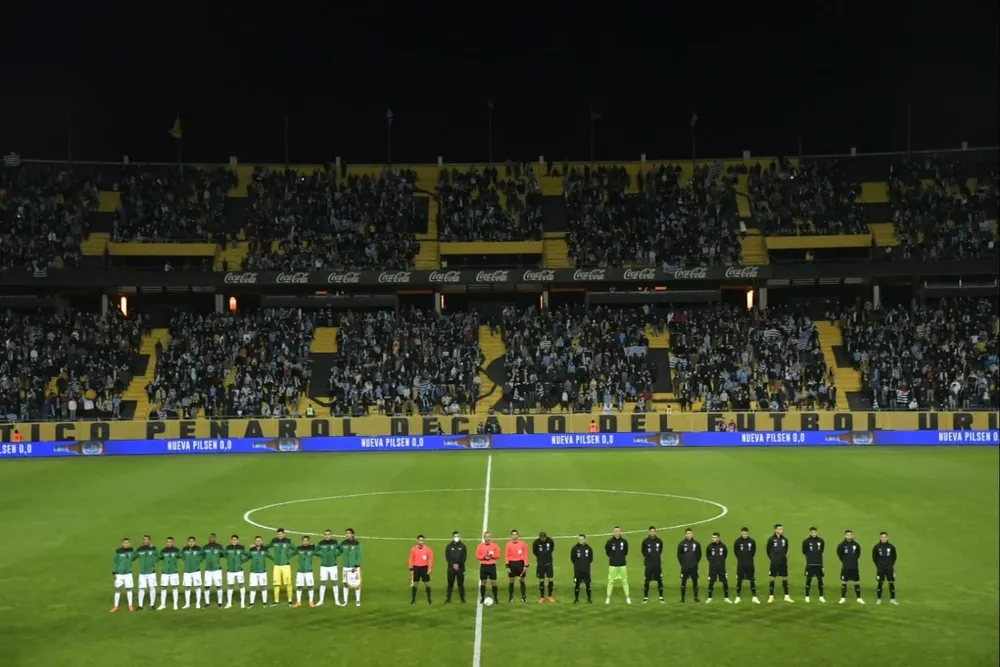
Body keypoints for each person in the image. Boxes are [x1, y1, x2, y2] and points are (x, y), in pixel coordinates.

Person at [766, 524, 793, 603]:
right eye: (780, 529)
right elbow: (768, 550)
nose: (781, 530)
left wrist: (782, 557)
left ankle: (786, 596)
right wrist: (773, 558)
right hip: (774, 562)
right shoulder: (771, 539)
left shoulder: (785, 539)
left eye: (782, 529)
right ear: (775, 530)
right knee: (772, 578)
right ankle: (771, 596)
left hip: (783, 562)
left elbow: (786, 550)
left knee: (785, 577)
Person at [733, 527, 760, 604]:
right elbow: (736, 551)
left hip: (750, 564)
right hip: (741, 564)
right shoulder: (737, 542)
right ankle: (738, 597)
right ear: (741, 533)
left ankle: (754, 597)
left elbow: (753, 551)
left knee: (752, 580)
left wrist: (748, 558)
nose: (744, 535)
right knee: (739, 580)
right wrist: (741, 558)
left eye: (746, 533)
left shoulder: (752, 541)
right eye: (743, 533)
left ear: (748, 533)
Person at [268, 528, 295, 607]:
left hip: (286, 565)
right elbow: (266, 547)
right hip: (277, 566)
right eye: (278, 534)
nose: (280, 535)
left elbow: (295, 549)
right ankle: (276, 601)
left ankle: (290, 601)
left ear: (284, 534)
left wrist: (288, 556)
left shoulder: (288, 541)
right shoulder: (274, 541)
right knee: (276, 584)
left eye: (281, 534)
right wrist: (256, 545)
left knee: (288, 583)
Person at [837, 530, 865, 604]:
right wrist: (845, 561)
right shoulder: (841, 545)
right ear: (845, 536)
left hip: (854, 566)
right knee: (844, 582)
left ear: (852, 535)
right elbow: (839, 554)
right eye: (847, 534)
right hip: (845, 567)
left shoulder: (856, 545)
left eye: (850, 534)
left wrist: (853, 560)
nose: (849, 536)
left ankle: (859, 598)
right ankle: (842, 598)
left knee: (857, 582)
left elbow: (858, 554)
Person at [605, 526, 631, 604]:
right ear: (613, 532)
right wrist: (613, 558)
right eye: (615, 531)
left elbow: (626, 551)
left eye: (618, 531)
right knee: (611, 581)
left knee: (625, 581)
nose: (617, 532)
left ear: (620, 532)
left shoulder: (624, 541)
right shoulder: (609, 542)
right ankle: (608, 597)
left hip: (622, 565)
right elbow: (607, 552)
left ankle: (627, 597)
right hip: (612, 565)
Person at [316, 529, 342, 607]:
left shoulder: (335, 542)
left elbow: (341, 550)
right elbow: (315, 551)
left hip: (333, 566)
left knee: (335, 582)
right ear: (324, 535)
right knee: (323, 583)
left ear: (331, 535)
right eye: (326, 534)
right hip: (324, 566)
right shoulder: (321, 543)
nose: (327, 536)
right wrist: (321, 556)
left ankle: (337, 601)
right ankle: (321, 601)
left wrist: (335, 555)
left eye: (328, 534)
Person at [872, 531, 898, 605]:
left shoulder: (891, 547)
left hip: (889, 568)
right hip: (881, 568)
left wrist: (890, 564)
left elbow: (894, 557)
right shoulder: (876, 547)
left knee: (891, 583)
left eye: (885, 537)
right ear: (880, 538)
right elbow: (874, 558)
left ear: (887, 537)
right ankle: (879, 599)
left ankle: (892, 599)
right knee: (880, 583)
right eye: (882, 537)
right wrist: (879, 565)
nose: (883, 538)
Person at [640, 526, 665, 604]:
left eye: (653, 531)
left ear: (655, 532)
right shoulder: (645, 541)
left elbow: (660, 551)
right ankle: (645, 597)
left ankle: (661, 597)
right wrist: (648, 559)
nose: (652, 533)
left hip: (657, 564)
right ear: (649, 532)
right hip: (649, 565)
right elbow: (643, 552)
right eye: (651, 531)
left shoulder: (659, 541)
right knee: (647, 581)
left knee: (660, 581)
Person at [111, 537, 136, 613]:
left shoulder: (132, 551)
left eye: (127, 543)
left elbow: (136, 555)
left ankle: (130, 605)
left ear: (130, 543)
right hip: (119, 574)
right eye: (124, 543)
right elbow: (114, 561)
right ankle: (115, 606)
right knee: (117, 590)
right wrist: (114, 572)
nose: (126, 544)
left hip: (128, 574)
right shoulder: (118, 551)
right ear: (122, 543)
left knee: (129, 589)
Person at [504, 529, 530, 603]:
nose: (514, 536)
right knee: (511, 580)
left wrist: (525, 565)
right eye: (513, 534)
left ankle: (524, 597)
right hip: (512, 563)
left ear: (518, 535)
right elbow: (507, 555)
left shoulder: (523, 544)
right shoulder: (508, 544)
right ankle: (511, 597)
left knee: (522, 580)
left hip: (520, 563)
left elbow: (525, 555)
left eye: (516, 534)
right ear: (511, 536)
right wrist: (507, 566)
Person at [677, 528, 702, 603]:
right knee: (683, 582)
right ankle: (682, 599)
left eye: (690, 533)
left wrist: (695, 562)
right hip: (685, 567)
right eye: (687, 533)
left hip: (694, 566)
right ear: (685, 534)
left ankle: (696, 598)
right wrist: (683, 563)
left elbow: (699, 554)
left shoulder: (696, 544)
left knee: (695, 582)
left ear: (692, 534)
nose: (689, 535)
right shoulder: (681, 544)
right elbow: (679, 555)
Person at [475, 531, 501, 604]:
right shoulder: (480, 546)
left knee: (494, 582)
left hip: (492, 566)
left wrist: (491, 556)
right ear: (484, 538)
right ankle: (482, 597)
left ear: (490, 537)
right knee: (483, 582)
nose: (488, 538)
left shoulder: (494, 546)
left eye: (489, 537)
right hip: (484, 566)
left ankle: (496, 598)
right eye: (486, 537)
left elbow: (498, 555)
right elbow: (477, 556)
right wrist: (484, 557)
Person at [705, 532, 731, 603]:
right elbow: (708, 556)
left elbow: (725, 555)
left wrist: (721, 561)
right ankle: (709, 598)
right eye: (712, 537)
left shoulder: (723, 546)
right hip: (713, 568)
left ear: (718, 538)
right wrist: (712, 562)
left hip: (721, 568)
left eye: (714, 538)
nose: (712, 539)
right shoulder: (709, 547)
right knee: (711, 582)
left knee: (725, 582)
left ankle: (726, 597)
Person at [802, 526, 826, 603]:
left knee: (820, 580)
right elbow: (804, 551)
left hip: (819, 564)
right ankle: (807, 596)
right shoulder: (806, 541)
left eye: (815, 532)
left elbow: (822, 550)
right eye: (812, 532)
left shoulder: (821, 541)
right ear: (810, 533)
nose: (813, 533)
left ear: (817, 532)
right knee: (808, 579)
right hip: (810, 564)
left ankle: (821, 596)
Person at [135, 535, 159, 611]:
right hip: (142, 572)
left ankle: (152, 605)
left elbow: (159, 556)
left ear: (149, 540)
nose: (145, 541)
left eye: (147, 540)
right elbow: (133, 557)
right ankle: (140, 605)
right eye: (144, 540)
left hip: (151, 572)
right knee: (141, 588)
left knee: (152, 588)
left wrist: (153, 561)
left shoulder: (153, 548)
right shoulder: (139, 549)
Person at [156, 536, 181, 610]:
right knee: (163, 587)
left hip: (174, 572)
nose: (169, 543)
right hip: (165, 572)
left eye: (170, 542)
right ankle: (163, 604)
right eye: (168, 542)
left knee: (174, 587)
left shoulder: (177, 550)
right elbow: (159, 557)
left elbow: (182, 556)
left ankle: (175, 604)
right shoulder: (163, 550)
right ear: (166, 542)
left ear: (173, 542)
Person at [224, 534, 248, 609]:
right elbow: (224, 555)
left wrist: (242, 561)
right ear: (231, 541)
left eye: (235, 540)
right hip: (230, 571)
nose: (234, 541)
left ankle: (242, 603)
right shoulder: (228, 548)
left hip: (239, 570)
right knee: (230, 586)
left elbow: (248, 555)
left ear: (238, 540)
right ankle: (229, 603)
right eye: (233, 540)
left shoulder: (241, 548)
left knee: (241, 585)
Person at [409, 535, 434, 604]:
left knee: (427, 584)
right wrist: (411, 569)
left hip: (424, 568)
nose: (421, 541)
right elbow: (411, 559)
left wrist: (429, 568)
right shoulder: (413, 549)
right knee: (415, 584)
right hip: (416, 568)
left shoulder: (428, 549)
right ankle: (413, 599)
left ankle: (429, 599)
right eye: (420, 540)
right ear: (417, 541)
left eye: (422, 540)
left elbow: (430, 559)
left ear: (424, 541)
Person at [341, 528, 363, 606]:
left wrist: (356, 565)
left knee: (357, 584)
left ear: (352, 534)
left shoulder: (357, 544)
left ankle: (357, 600)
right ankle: (345, 600)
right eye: (346, 533)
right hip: (346, 566)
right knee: (345, 583)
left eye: (349, 533)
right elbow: (339, 551)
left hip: (354, 567)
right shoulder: (343, 543)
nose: (347, 534)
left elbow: (359, 555)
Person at [202, 533, 225, 608]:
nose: (211, 539)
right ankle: (207, 603)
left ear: (215, 539)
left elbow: (223, 554)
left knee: (218, 586)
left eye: (213, 538)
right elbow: (202, 555)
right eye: (210, 538)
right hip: (208, 570)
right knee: (207, 586)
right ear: (209, 538)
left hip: (217, 570)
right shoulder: (205, 547)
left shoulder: (219, 546)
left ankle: (220, 603)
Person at [293, 535, 317, 607]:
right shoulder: (299, 549)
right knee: (299, 586)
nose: (305, 542)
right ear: (302, 541)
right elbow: (292, 553)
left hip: (309, 571)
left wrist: (314, 546)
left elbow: (318, 551)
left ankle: (311, 602)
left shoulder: (312, 549)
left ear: (308, 541)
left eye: (306, 541)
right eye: (304, 541)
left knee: (310, 586)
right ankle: (298, 602)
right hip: (300, 571)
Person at [247, 536, 271, 607]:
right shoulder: (252, 550)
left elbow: (270, 556)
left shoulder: (264, 550)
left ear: (262, 541)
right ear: (255, 542)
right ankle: (251, 603)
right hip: (253, 572)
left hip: (262, 572)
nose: (258, 542)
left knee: (263, 587)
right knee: (253, 587)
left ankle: (264, 602)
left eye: (259, 540)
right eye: (257, 541)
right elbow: (248, 556)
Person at [181, 536, 204, 609]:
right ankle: (187, 603)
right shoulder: (184, 549)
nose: (191, 543)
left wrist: (198, 561)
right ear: (188, 542)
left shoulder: (198, 549)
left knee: (197, 587)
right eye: (189, 541)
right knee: (187, 587)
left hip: (196, 571)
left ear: (195, 542)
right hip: (187, 571)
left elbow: (203, 555)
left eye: (192, 541)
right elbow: (182, 556)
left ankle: (198, 603)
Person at [532, 531, 556, 603]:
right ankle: (542, 597)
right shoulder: (536, 542)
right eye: (541, 538)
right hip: (541, 564)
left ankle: (550, 596)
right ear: (540, 537)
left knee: (550, 579)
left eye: (544, 538)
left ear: (546, 537)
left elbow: (551, 549)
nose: (543, 539)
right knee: (541, 580)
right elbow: (535, 552)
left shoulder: (550, 541)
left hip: (549, 563)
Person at [445, 531, 468, 603]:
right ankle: (448, 599)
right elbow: (447, 557)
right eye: (455, 536)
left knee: (461, 584)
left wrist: (458, 565)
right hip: (451, 569)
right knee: (450, 584)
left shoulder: (463, 546)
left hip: (460, 568)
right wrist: (453, 565)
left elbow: (464, 557)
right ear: (452, 537)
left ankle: (462, 599)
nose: (456, 538)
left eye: (457, 536)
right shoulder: (448, 546)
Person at [571, 534, 594, 603]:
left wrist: (585, 565)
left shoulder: (589, 548)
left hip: (586, 570)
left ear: (585, 540)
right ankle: (576, 599)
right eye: (579, 539)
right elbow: (572, 559)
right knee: (577, 585)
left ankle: (589, 599)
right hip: (578, 570)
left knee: (588, 585)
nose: (581, 540)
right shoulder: (575, 548)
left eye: (582, 539)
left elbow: (591, 559)